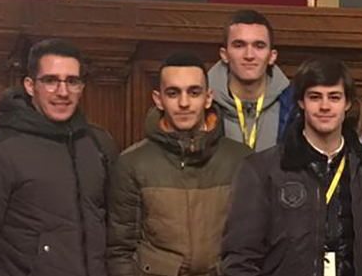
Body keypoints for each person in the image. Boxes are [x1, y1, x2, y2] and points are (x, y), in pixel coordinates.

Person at [0, 39, 119, 276]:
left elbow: (115, 233)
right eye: (50, 80)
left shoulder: (99, 144)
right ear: (30, 86)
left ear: (81, 87)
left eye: (72, 81)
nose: (63, 92)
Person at [221, 57, 362, 276]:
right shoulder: (261, 170)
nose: (325, 106)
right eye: (315, 97)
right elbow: (240, 259)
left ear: (348, 103)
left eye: (334, 97)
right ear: (301, 102)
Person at [107, 52, 253, 276]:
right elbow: (120, 251)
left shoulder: (241, 159)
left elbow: (251, 243)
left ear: (208, 98)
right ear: (158, 99)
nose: (184, 103)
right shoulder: (132, 163)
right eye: (173, 93)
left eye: (194, 92)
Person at [213, 9, 295, 150]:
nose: (249, 55)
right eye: (239, 45)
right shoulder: (203, 105)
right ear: (224, 54)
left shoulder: (292, 106)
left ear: (272, 56)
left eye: (259, 46)